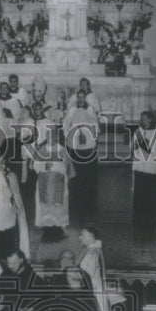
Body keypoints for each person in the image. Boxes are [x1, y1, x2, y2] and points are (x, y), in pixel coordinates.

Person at [63, 88, 101, 221]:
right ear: (76, 98)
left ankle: (88, 206)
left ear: (85, 98)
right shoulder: (71, 110)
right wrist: (72, 136)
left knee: (87, 177)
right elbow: (66, 125)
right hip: (74, 145)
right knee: (75, 177)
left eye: (82, 97)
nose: (80, 99)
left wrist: (87, 133)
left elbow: (96, 125)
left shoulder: (90, 109)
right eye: (78, 97)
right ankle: (75, 205)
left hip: (88, 146)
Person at [31, 114, 70, 241]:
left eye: (53, 136)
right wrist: (44, 165)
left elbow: (68, 165)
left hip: (58, 183)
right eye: (48, 136)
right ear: (46, 137)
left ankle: (57, 229)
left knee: (57, 207)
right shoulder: (41, 149)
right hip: (44, 182)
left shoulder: (61, 149)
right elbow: (34, 165)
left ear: (56, 137)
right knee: (45, 206)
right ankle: (46, 230)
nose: (50, 138)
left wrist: (58, 167)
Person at [131, 110, 156, 227]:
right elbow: (133, 147)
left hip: (150, 165)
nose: (143, 121)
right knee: (139, 189)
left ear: (150, 119)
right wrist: (135, 144)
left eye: (145, 119)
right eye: (141, 119)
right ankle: (139, 213)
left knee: (150, 189)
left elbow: (154, 150)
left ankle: (152, 213)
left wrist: (143, 143)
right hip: (140, 165)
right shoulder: (138, 132)